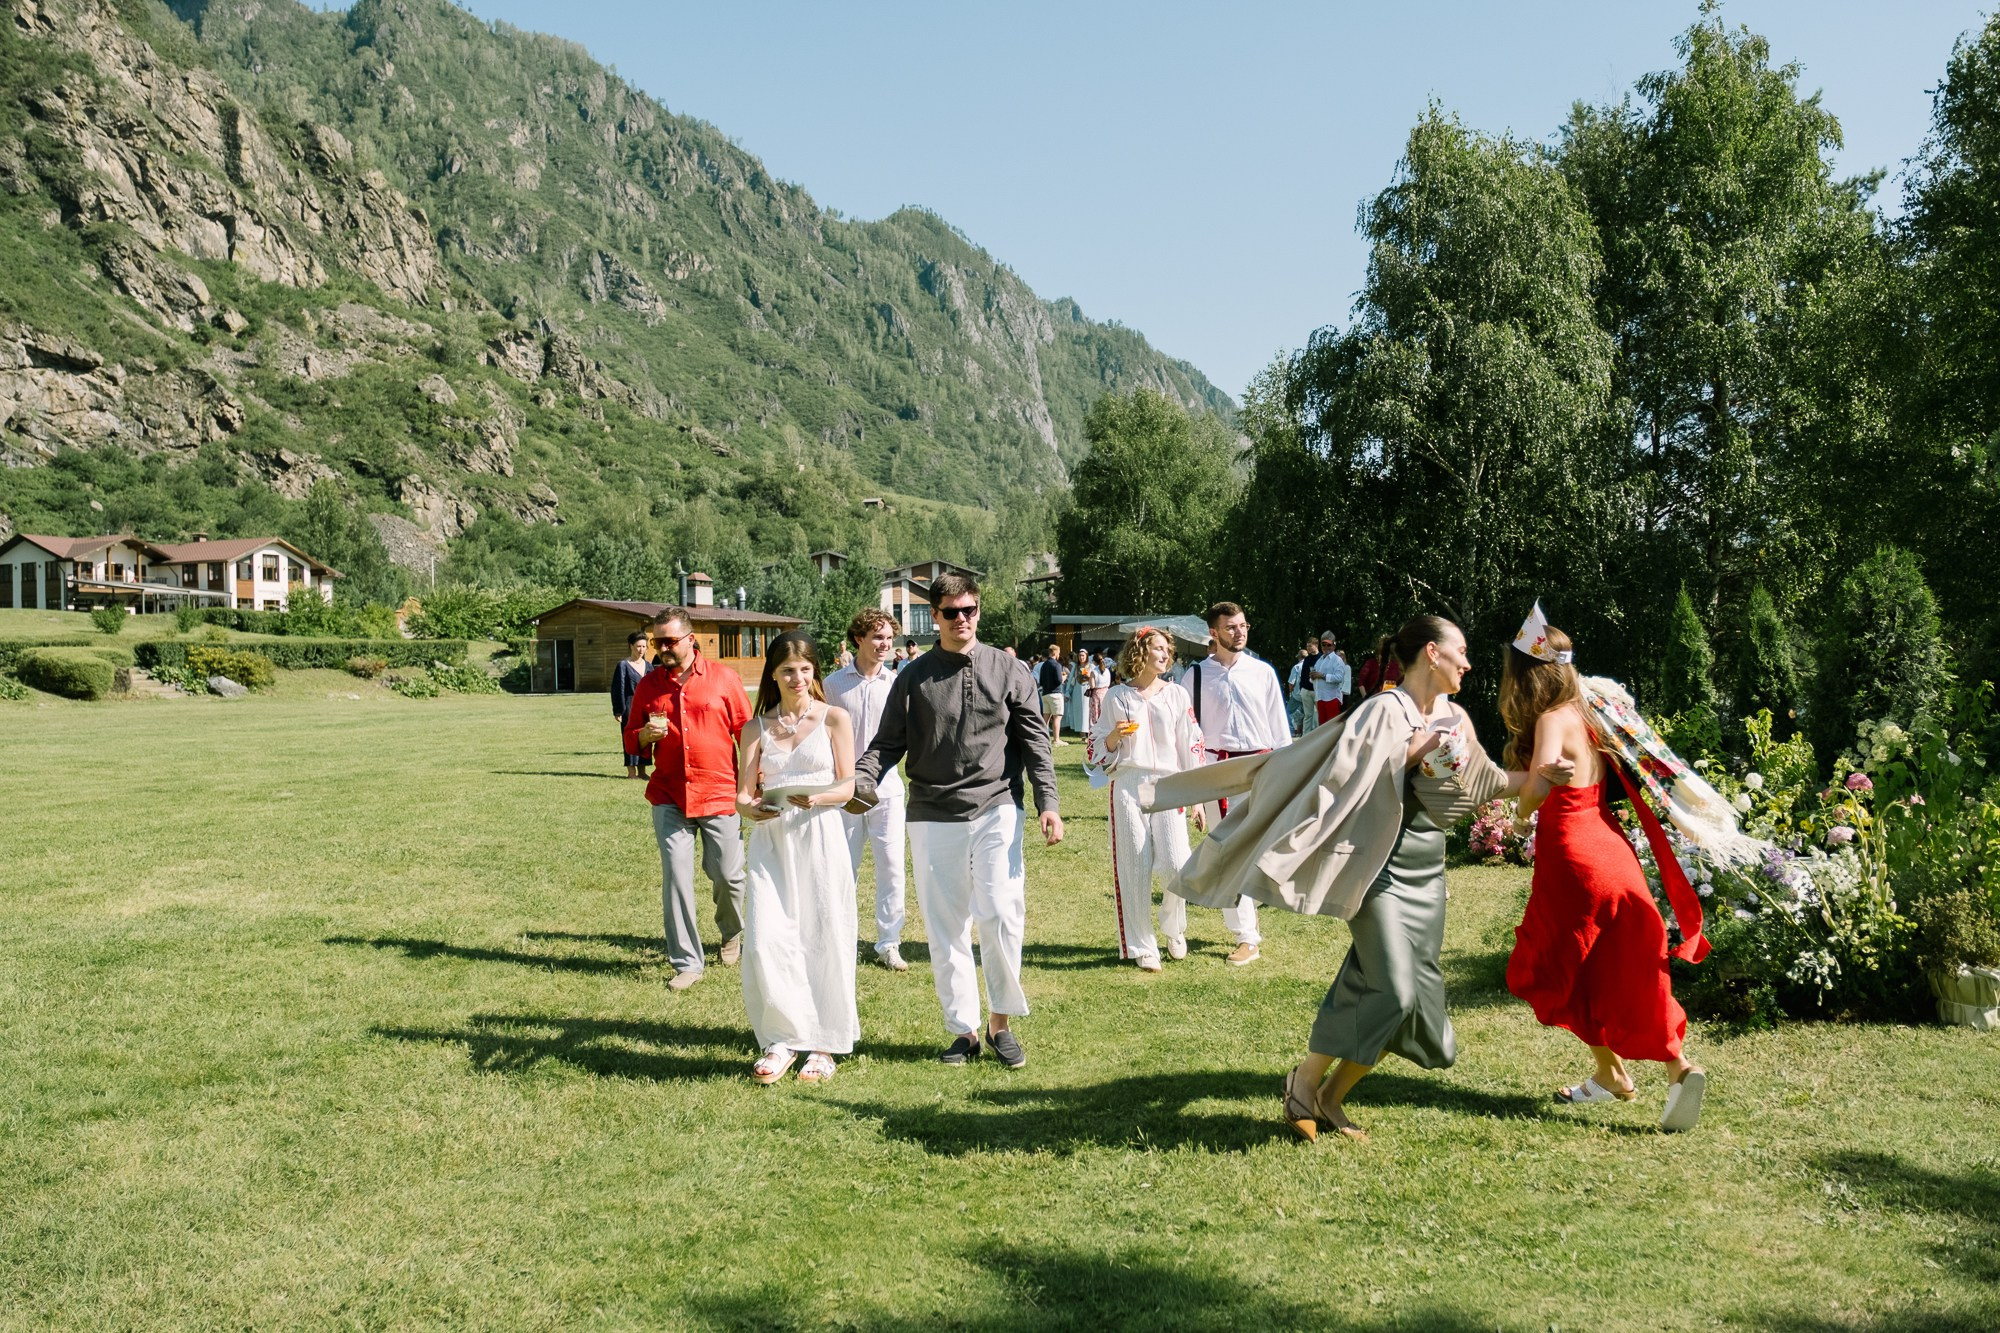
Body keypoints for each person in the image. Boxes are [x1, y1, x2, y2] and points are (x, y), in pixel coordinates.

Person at [1158, 615, 1567, 1142]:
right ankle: (1305, 1083)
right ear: (1431, 654)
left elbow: (1480, 784)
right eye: (1460, 651)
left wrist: (1540, 780)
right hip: (1377, 868)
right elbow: (1339, 781)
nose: (1468, 662)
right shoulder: (1382, 710)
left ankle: (1326, 1097)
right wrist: (1411, 756)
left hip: (1427, 871)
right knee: (1395, 991)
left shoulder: (1457, 717)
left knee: (1384, 987)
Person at [1499, 604, 1710, 1131]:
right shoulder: (1592, 712)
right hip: (1613, 852)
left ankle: (1623, 1069)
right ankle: (1651, 1072)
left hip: (1573, 855)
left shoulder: (1549, 719)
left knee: (1547, 967)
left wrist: (1523, 805)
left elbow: (1536, 792)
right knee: (1618, 966)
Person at [854, 573, 1063, 1068]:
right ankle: (964, 1031)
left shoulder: (1009, 671)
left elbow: (1035, 740)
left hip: (997, 805)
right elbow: (886, 744)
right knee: (947, 926)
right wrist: (862, 780)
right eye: (951, 612)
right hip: (932, 812)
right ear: (936, 617)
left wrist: (1048, 802)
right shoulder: (913, 676)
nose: (962, 619)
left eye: (969, 610)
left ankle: (1000, 1024)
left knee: (1001, 912)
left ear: (978, 612)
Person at [735, 632, 860, 1084]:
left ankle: (825, 1044)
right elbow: (742, 795)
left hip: (821, 836)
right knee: (769, 938)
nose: (798, 678)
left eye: (806, 670)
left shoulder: (834, 719)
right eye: (789, 670)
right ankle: (781, 1038)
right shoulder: (756, 728)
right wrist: (753, 808)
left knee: (824, 934)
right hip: (773, 841)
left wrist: (820, 796)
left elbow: (849, 785)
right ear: (773, 673)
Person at [624, 607, 751, 991]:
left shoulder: (723, 679)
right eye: (657, 641)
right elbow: (632, 737)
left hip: (718, 792)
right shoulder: (648, 685)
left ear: (690, 639)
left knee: (728, 875)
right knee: (676, 878)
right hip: (669, 795)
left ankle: (731, 934)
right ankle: (687, 963)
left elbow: (748, 734)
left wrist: (753, 783)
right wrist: (645, 736)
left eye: (669, 641)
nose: (661, 647)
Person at [1178, 601, 1291, 965]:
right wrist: (1192, 784)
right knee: (1227, 850)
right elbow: (1186, 732)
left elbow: (1280, 729)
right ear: (1214, 633)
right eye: (1231, 627)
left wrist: (1286, 773)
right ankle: (1247, 936)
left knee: (1260, 848)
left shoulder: (1262, 673)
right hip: (1218, 768)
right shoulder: (1194, 676)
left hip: (1261, 765)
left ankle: (1254, 907)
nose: (1239, 632)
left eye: (1243, 625)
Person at [1085, 627, 1203, 971]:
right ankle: (1142, 945)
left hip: (1169, 782)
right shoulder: (1117, 697)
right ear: (1140, 652)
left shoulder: (1178, 695)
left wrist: (1196, 796)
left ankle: (1173, 926)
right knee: (1134, 866)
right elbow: (1094, 747)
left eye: (1168, 649)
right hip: (1129, 783)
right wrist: (1112, 738)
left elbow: (1191, 742)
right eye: (1159, 648)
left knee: (1176, 864)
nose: (1166, 654)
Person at [824, 607, 911, 972]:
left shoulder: (898, 683)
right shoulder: (832, 684)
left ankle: (888, 943)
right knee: (843, 866)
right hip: (842, 791)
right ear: (858, 639)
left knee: (891, 867)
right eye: (877, 637)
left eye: (889, 638)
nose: (885, 644)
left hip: (887, 789)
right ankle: (839, 937)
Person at [612, 630, 653, 779]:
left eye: (644, 646)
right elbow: (617, 689)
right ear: (631, 646)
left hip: (646, 709)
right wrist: (618, 711)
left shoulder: (649, 666)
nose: (641, 650)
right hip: (629, 707)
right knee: (630, 739)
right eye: (638, 646)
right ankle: (631, 772)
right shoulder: (623, 665)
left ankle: (643, 771)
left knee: (646, 738)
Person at [1310, 632, 1351, 726]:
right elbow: (1315, 678)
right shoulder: (1320, 660)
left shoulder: (1337, 660)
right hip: (1320, 697)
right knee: (1322, 727)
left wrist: (1323, 676)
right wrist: (1312, 677)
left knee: (1331, 728)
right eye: (1323, 644)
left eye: (1329, 644)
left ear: (1334, 646)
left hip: (1332, 698)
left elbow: (1339, 678)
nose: (1326, 647)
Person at [1036, 644, 1069, 745]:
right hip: (1055, 693)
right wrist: (1064, 678)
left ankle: (1042, 739)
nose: (1059, 655)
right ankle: (1056, 739)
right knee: (1057, 717)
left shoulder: (1043, 665)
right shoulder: (1057, 665)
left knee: (1045, 718)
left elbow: (1040, 681)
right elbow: (1059, 680)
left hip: (1045, 694)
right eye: (1058, 653)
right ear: (1055, 653)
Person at [1085, 650, 1111, 728]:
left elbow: (1092, 685)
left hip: (1096, 693)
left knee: (1095, 713)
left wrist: (1088, 678)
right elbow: (1109, 683)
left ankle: (1095, 729)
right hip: (1105, 692)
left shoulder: (1094, 672)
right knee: (1104, 712)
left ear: (1094, 662)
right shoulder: (1107, 670)